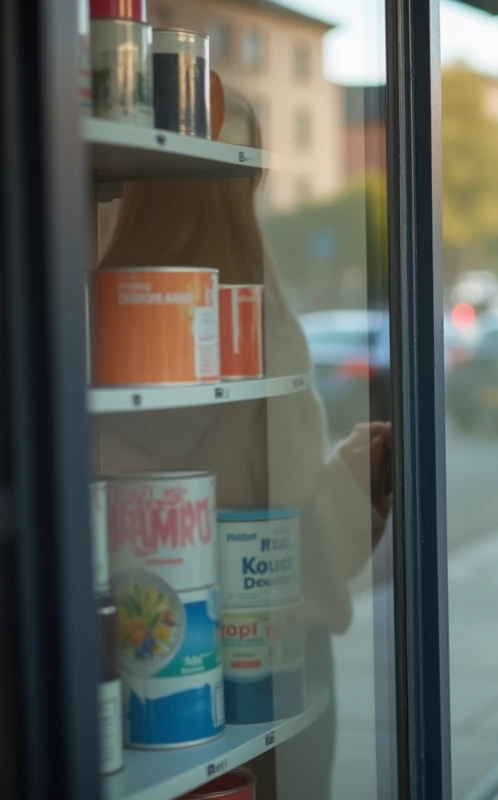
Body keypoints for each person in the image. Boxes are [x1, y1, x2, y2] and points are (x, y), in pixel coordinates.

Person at [95, 91, 389, 799]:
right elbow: (290, 518)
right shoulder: (257, 316)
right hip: (266, 657)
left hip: (135, 649)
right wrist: (358, 475)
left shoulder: (96, 310)